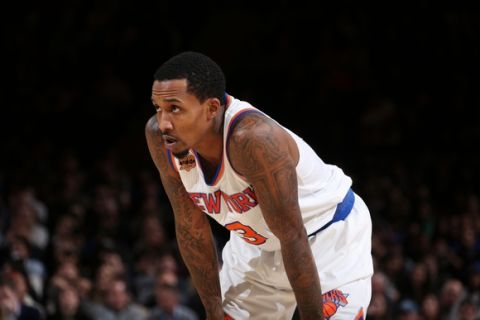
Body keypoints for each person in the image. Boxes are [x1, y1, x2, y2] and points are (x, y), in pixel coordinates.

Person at [145, 51, 374, 320]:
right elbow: (191, 229)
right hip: (255, 246)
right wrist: (213, 310)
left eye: (175, 108)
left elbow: (292, 235)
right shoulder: (162, 140)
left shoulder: (253, 139)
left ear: (211, 109)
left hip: (325, 239)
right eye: (157, 108)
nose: (164, 123)